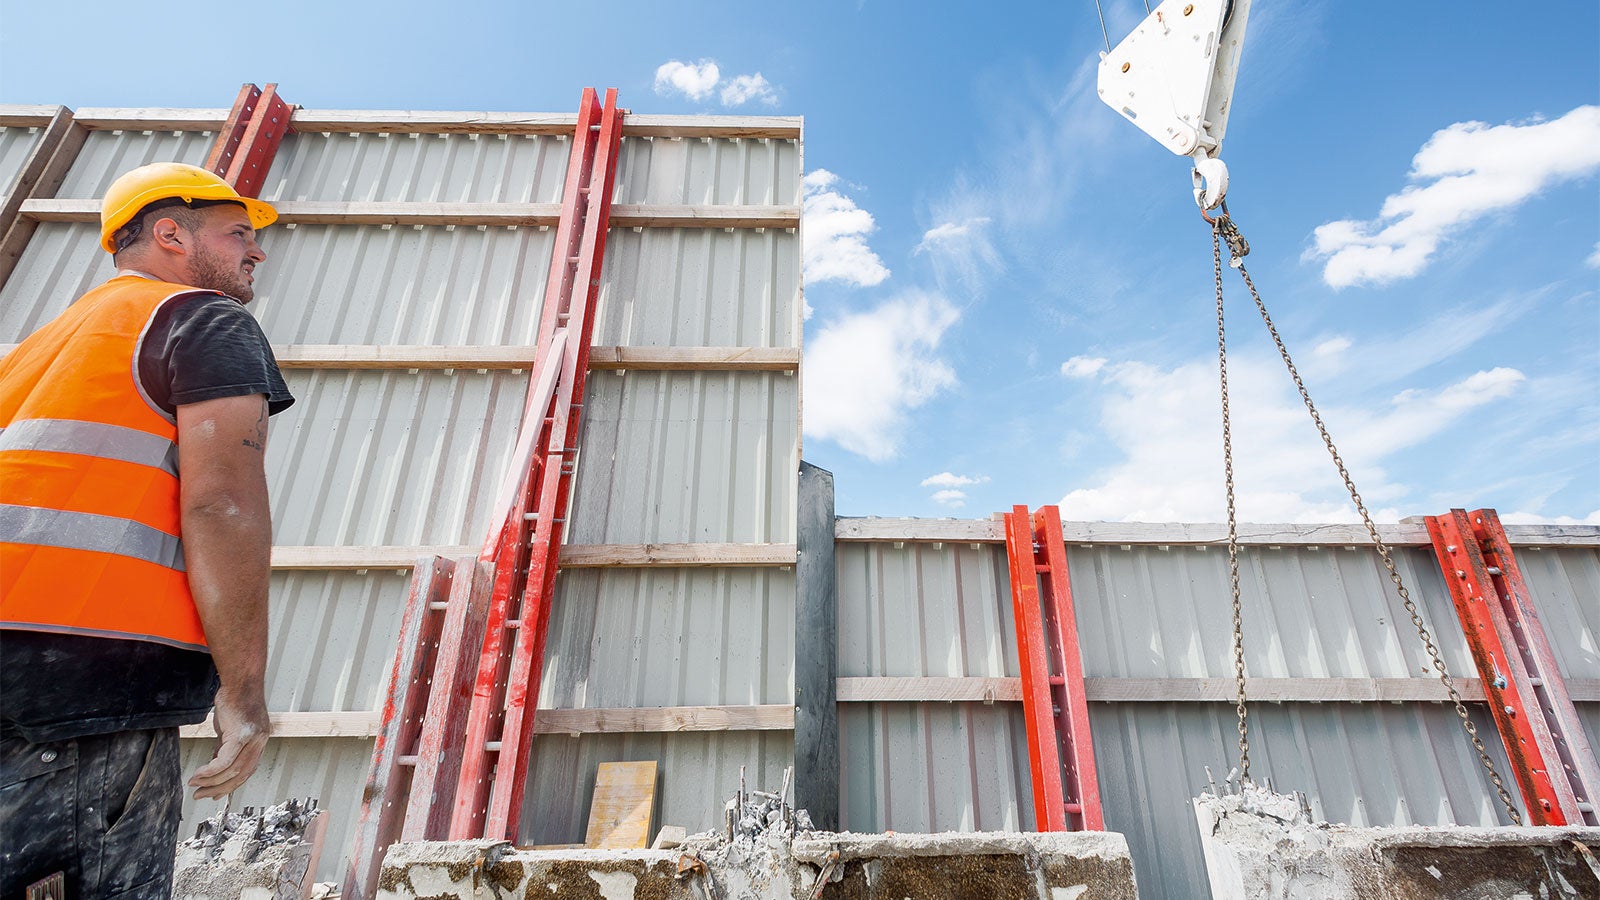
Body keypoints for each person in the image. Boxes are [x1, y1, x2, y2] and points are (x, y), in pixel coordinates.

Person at [0, 162, 294, 897]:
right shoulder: (201, 318)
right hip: (82, 692)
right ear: (170, 233)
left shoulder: (39, 350)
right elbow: (222, 503)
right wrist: (245, 691)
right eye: (237, 235)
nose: (255, 252)